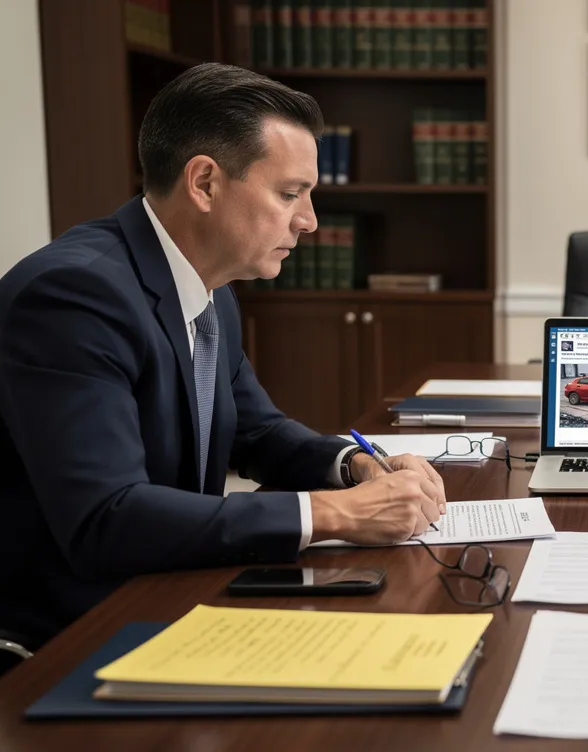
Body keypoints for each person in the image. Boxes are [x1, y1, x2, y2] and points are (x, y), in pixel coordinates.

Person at [0, 63, 447, 650]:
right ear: (205, 183)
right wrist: (334, 514)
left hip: (171, 592)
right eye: (290, 194)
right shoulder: (72, 297)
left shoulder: (208, 289)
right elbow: (105, 519)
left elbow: (258, 434)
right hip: (69, 639)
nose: (309, 221)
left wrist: (355, 466)